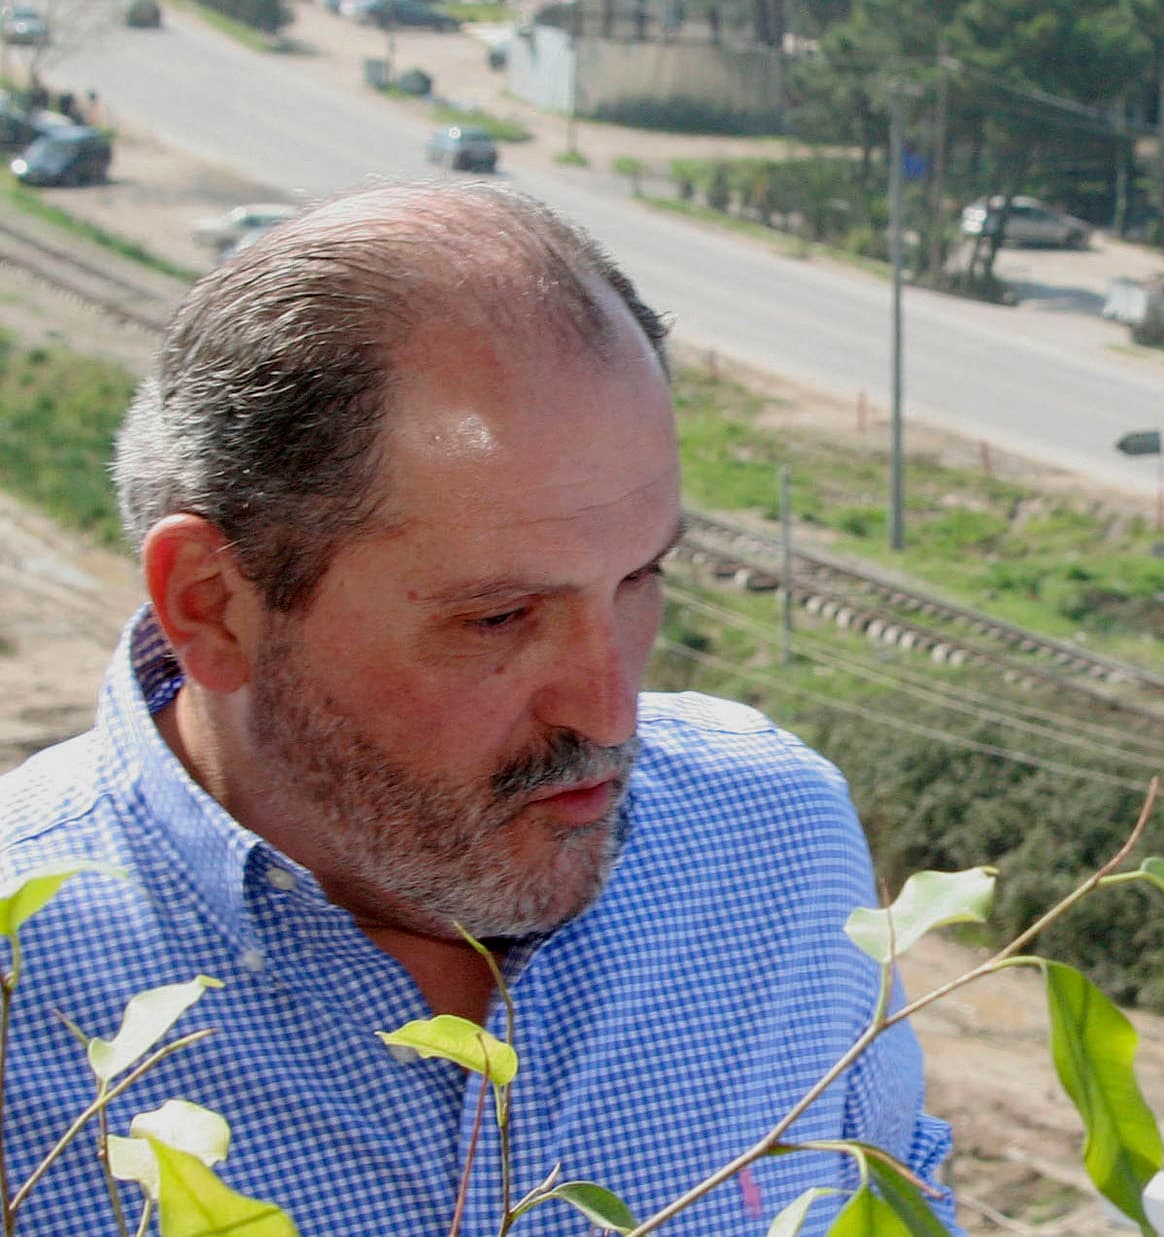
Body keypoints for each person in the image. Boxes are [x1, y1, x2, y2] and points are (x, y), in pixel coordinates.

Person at [0, 182, 957, 1233]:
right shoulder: (23, 1002)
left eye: (639, 579)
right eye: (500, 617)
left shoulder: (774, 849)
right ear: (212, 605)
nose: (609, 707)